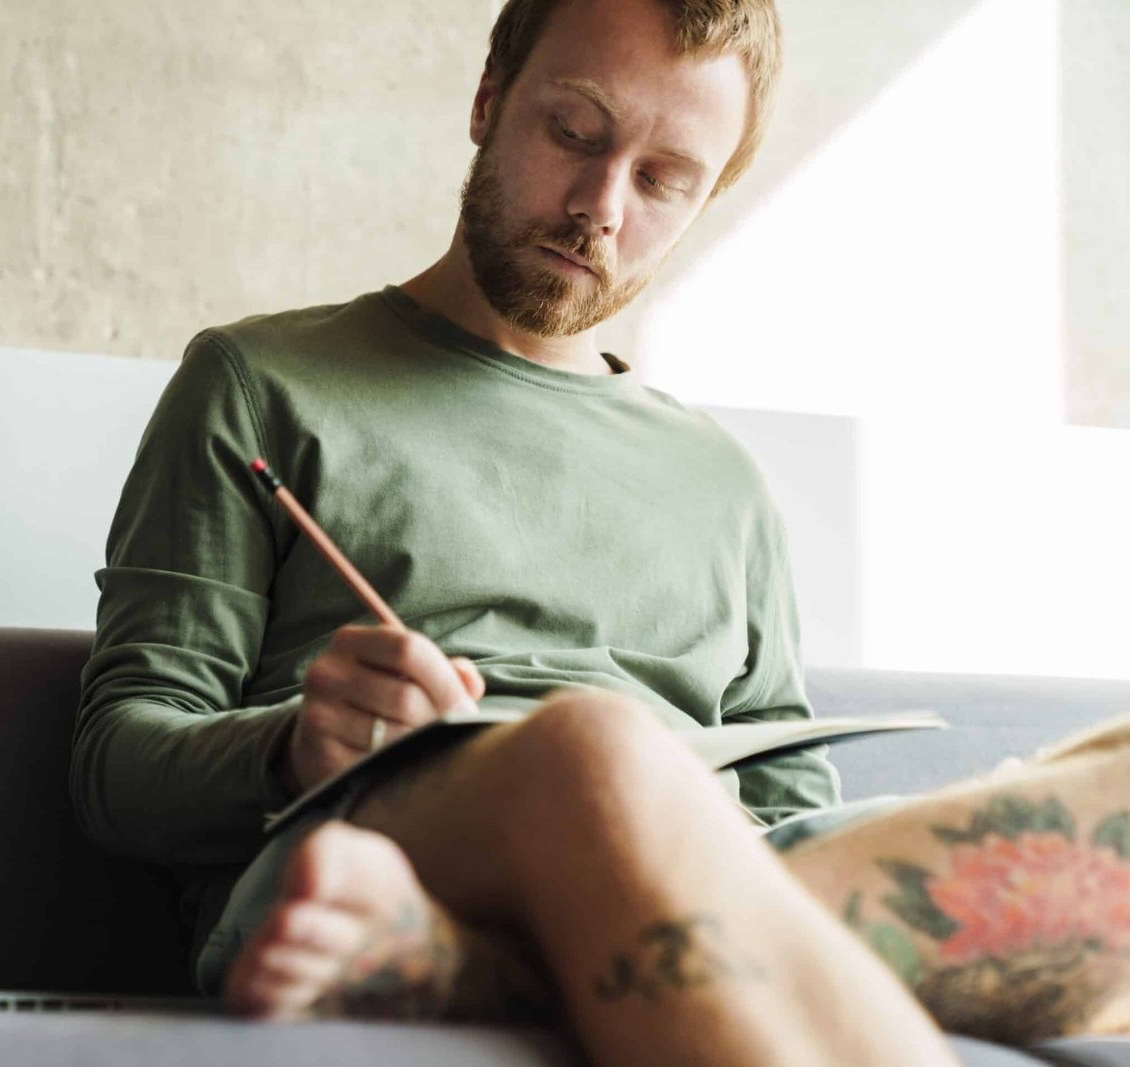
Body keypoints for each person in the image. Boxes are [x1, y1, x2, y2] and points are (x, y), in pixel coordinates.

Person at [71, 0, 1130, 1062]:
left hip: (679, 866)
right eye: (573, 134)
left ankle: (470, 971)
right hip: (393, 828)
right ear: (489, 101)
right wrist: (294, 743)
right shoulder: (260, 382)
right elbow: (119, 760)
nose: (599, 205)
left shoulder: (720, 480)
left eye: (663, 179)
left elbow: (782, 813)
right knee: (594, 744)